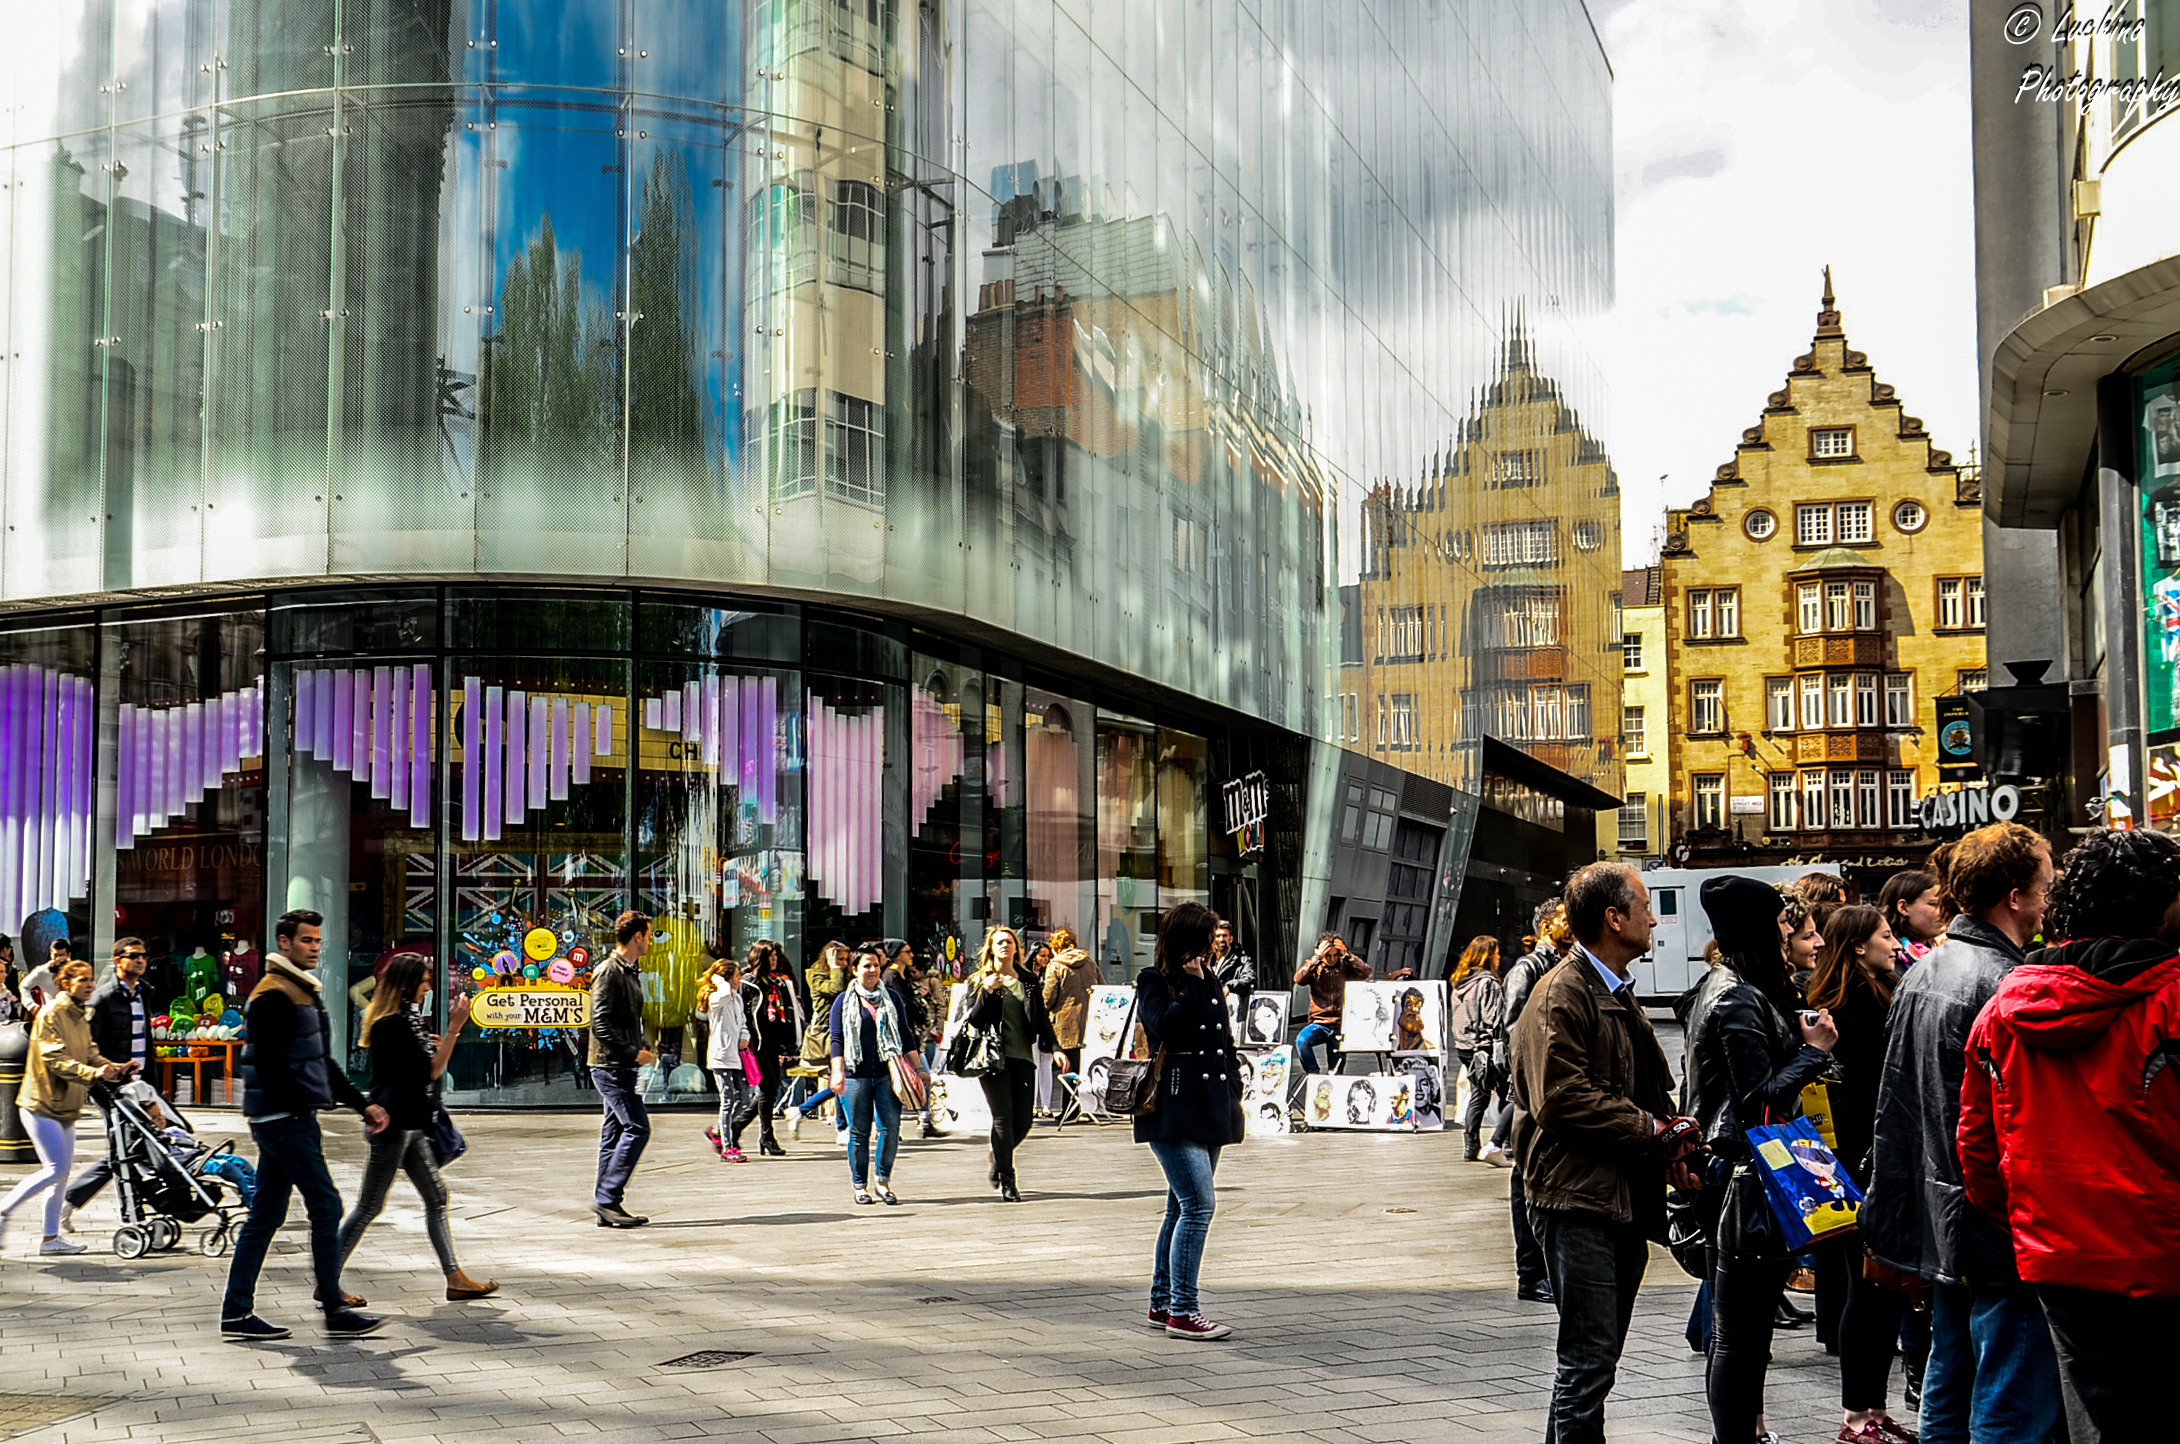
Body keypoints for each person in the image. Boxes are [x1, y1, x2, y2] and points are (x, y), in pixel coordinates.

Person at [1957, 829, 2180, 1444]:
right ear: (2160, 908)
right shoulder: (2169, 1000)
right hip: (2161, 1257)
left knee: (2101, 1417)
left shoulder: (2004, 1011)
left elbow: (1978, 1150)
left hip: (2060, 1258)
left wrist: (2030, 1221)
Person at [1862, 822, 2060, 1444]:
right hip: (1990, 1215)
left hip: (1941, 1210)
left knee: (1951, 1373)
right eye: (2045, 885)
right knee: (2008, 1392)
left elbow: (1896, 1106)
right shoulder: (2000, 981)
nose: (2050, 898)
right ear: (2015, 897)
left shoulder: (1927, 970)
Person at [1508, 864, 1700, 1444]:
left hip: (1614, 1196)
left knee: (1594, 1363)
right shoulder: (1562, 992)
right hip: (1578, 1200)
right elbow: (1561, 1099)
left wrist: (1670, 1140)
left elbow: (1640, 1086)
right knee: (1588, 1362)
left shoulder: (1611, 988)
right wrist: (1651, 1131)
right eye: (1645, 907)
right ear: (1614, 918)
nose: (1654, 919)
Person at [1681, 876, 1839, 1444]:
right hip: (1743, 1176)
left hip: (1735, 1172)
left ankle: (1743, 1434)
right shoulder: (1736, 996)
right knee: (1740, 1335)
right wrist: (1813, 1054)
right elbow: (1759, 1103)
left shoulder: (1730, 987)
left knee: (1741, 1334)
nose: (1790, 936)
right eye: (1781, 926)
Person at [221, 909, 388, 1340]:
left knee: (266, 1214)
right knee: (326, 1205)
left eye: (317, 940)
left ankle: (236, 1312)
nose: (314, 947)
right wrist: (301, 1105)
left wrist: (362, 1104)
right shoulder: (274, 994)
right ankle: (333, 1307)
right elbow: (270, 1065)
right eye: (306, 940)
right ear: (285, 942)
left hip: (286, 1116)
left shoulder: (299, 990)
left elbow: (320, 1061)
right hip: (283, 1119)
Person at [1799, 906, 1917, 1443]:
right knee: (1865, 1288)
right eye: (1886, 935)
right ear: (1858, 947)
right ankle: (1856, 1416)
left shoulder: (1885, 994)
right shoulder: (1840, 1011)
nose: (1895, 944)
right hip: (1854, 1165)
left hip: (1880, 1159)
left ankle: (1875, 1409)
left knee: (1884, 1288)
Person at [335, 952, 496, 1301]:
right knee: (369, 1206)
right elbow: (431, 1071)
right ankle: (327, 1280)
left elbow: (422, 1063)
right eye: (423, 982)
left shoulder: (408, 1019)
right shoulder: (392, 1023)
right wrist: (454, 1029)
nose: (427, 988)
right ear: (407, 985)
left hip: (410, 1124)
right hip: (393, 1125)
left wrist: (435, 1045)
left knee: (436, 1196)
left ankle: (454, 1277)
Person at [1133, 900, 1245, 1340]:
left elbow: (1223, 1039)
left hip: (1210, 1104)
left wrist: (1234, 1087)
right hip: (1173, 1106)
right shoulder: (1155, 979)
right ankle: (1183, 1310)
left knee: (1180, 1207)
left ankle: (1162, 1302)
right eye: (1205, 938)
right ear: (1187, 939)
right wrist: (1193, 987)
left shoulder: (1210, 977)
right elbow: (1165, 1027)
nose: (1213, 947)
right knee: (1199, 1205)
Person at [0, 960, 130, 1256]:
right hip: (41, 1103)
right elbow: (54, 1059)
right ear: (65, 983)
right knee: (55, 1170)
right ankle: (3, 1211)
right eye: (82, 980)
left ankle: (50, 1239)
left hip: (67, 1106)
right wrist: (93, 1073)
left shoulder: (79, 1015)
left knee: (61, 1175)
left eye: (91, 979)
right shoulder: (51, 1014)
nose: (90, 984)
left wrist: (114, 1069)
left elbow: (90, 1054)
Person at [1491, 900, 1571, 1303]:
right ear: (1545, 926)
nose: (1571, 924)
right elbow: (1514, 1030)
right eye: (1564, 918)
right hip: (1533, 1090)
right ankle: (1531, 1273)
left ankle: (1547, 1268)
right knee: (1525, 1176)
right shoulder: (1528, 969)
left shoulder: (1567, 965)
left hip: (1554, 1090)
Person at [55, 937, 157, 1231]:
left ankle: (78, 1201)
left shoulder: (144, 994)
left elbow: (146, 1044)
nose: (140, 960)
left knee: (131, 1147)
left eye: (143, 955)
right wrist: (102, 1079)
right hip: (110, 1087)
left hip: (140, 1085)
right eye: (133, 955)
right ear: (117, 960)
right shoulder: (102, 998)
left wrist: (152, 1086)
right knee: (123, 1149)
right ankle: (132, 1215)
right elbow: (89, 1048)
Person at [959, 925, 1057, 1201]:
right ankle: (1008, 1179)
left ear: (1016, 948)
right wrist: (989, 991)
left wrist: (1056, 1047)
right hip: (992, 1059)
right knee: (1003, 1118)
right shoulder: (980, 980)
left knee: (1024, 1121)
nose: (1005, 945)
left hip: (1023, 1055)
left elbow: (1041, 1017)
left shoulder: (1028, 980)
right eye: (1000, 942)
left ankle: (999, 1156)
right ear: (991, 948)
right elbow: (973, 1020)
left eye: (1009, 941)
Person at [828, 943, 920, 1205]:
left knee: (890, 1128)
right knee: (859, 1132)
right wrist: (837, 1072)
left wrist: (919, 1069)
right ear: (855, 969)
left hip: (887, 1073)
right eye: (866, 965)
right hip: (854, 1074)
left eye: (876, 965)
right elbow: (837, 1039)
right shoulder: (843, 1001)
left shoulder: (892, 998)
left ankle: (883, 1181)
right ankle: (860, 1186)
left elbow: (905, 1034)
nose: (872, 970)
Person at [589, 910, 657, 1229]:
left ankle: (607, 1206)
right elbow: (600, 1023)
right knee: (637, 1128)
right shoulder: (609, 971)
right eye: (648, 936)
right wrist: (632, 1053)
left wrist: (638, 1048)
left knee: (614, 1133)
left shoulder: (629, 971)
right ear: (637, 937)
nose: (650, 942)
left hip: (621, 1065)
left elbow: (624, 1019)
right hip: (610, 1065)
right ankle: (607, 1198)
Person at [1449, 936, 1506, 1162]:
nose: (1499, 958)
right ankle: (1504, 1143)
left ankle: (1471, 1144)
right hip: (1484, 1046)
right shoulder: (1488, 983)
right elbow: (1492, 1018)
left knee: (1479, 1094)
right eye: (1497, 953)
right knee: (1506, 1093)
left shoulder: (1460, 983)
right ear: (1487, 956)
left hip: (1464, 1046)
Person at [789, 940, 853, 1136]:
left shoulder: (845, 974)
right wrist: (835, 968)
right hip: (828, 1032)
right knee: (842, 1079)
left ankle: (802, 1111)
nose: (843, 963)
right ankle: (842, 1127)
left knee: (841, 1079)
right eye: (839, 959)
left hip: (847, 1030)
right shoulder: (816, 974)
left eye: (845, 960)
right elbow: (835, 990)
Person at [744, 941, 801, 1156]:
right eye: (770, 956)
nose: (775, 960)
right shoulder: (749, 983)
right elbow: (743, 1015)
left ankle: (750, 1132)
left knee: (770, 1089)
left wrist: (788, 1045)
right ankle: (762, 1135)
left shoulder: (777, 983)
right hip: (756, 1044)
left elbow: (786, 1015)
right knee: (768, 1089)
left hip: (773, 1044)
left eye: (776, 955)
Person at [699, 957, 758, 1163]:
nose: (739, 978)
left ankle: (717, 1129)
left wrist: (744, 1037)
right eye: (736, 975)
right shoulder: (716, 997)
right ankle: (727, 1146)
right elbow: (723, 994)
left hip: (737, 1055)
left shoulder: (737, 999)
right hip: (721, 1056)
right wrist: (719, 980)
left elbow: (743, 1022)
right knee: (727, 1100)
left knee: (744, 1098)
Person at [1293, 932, 1369, 1074]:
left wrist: (1348, 955)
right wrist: (1316, 958)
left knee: (1336, 1072)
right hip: (1319, 1022)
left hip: (1340, 1024)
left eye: (1336, 955)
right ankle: (1313, 1073)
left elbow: (1366, 972)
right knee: (1302, 1041)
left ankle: (1332, 1082)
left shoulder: (1347, 966)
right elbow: (1299, 979)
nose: (1332, 959)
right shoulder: (1315, 967)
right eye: (1328, 955)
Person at [1041, 928, 1096, 1120]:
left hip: (1066, 1022)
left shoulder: (1055, 965)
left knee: (1068, 1067)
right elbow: (1101, 986)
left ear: (1055, 946)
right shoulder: (1089, 962)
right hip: (1089, 1020)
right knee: (1086, 1065)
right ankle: (1089, 1107)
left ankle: (1069, 1110)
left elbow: (1048, 997)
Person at [1877, 870, 1944, 970]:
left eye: (1944, 905)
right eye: (1933, 904)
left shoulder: (1935, 955)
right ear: (1903, 907)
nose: (1943, 912)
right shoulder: (1882, 959)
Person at [1209, 920, 1255, 1022]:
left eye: (1225, 936)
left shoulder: (1242, 960)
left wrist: (1230, 986)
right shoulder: (1207, 960)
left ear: (1231, 939)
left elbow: (1249, 979)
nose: (1221, 939)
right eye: (1218, 936)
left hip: (1231, 1017)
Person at [19, 937, 68, 1015]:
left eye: (61, 955)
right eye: (55, 955)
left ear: (68, 955)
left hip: (73, 1017)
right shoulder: (42, 971)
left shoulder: (77, 970)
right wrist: (31, 1005)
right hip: (50, 1017)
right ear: (51, 955)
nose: (58, 959)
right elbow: (24, 986)